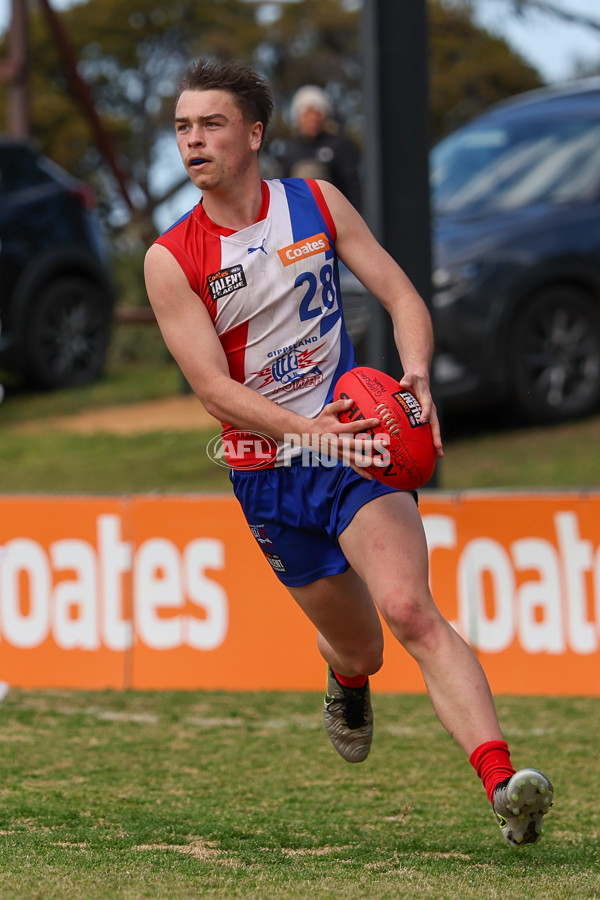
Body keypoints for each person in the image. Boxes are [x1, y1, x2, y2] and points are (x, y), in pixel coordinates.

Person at [144, 57, 554, 848]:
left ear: (255, 134)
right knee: (360, 642)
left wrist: (419, 376)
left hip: (357, 446)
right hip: (269, 473)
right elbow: (214, 393)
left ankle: (504, 785)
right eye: (183, 128)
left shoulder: (315, 203)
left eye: (212, 125)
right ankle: (346, 679)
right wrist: (306, 434)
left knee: (409, 610)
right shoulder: (173, 259)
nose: (193, 141)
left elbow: (401, 296)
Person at [279, 84, 362, 211]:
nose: (312, 119)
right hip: (302, 219)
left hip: (333, 216)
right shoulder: (291, 151)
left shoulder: (339, 145)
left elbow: (351, 186)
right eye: (307, 114)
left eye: (317, 114)